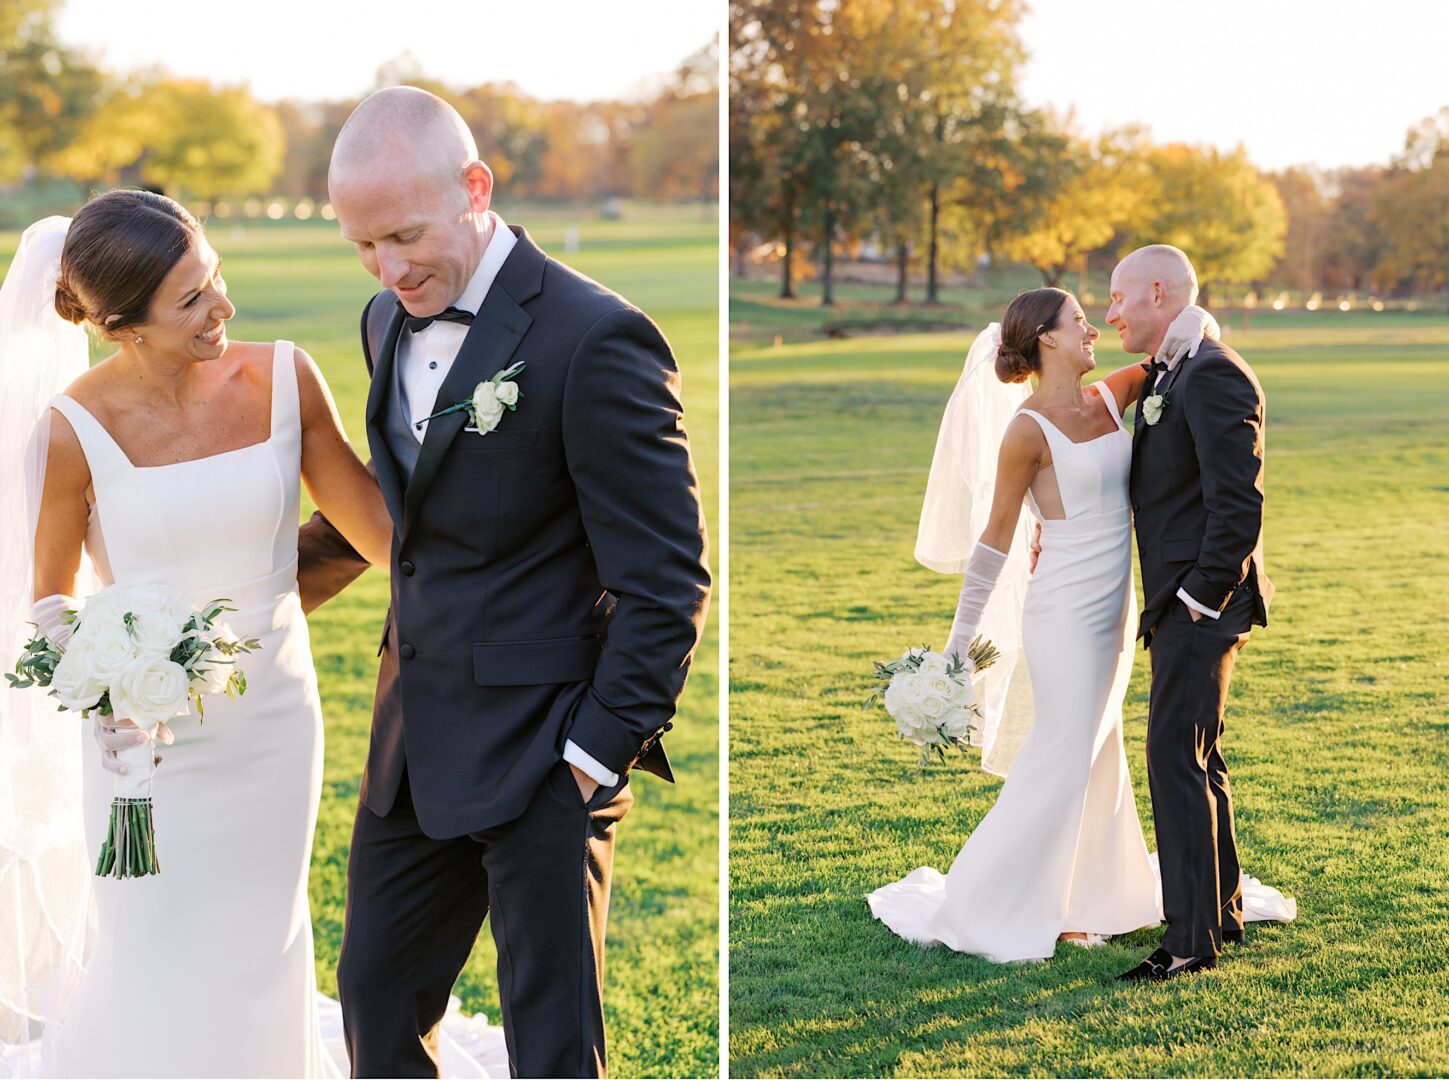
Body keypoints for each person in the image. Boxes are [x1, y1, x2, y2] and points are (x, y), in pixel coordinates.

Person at [293, 87, 710, 1078]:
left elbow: (668, 580)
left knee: (553, 1045)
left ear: (475, 188)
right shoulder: (383, 321)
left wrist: (594, 753)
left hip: (544, 753)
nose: (388, 271)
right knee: (376, 1011)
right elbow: (406, 511)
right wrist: (238, 602)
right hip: (411, 744)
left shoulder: (594, 338)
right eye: (363, 248)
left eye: (403, 235)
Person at [0, 190, 391, 1077]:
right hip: (146, 756)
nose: (224, 309)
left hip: (274, 727)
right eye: (192, 300)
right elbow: (51, 603)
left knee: (264, 944)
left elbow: (379, 532)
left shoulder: (284, 376)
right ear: (120, 325)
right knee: (152, 946)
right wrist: (105, 695)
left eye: (215, 279)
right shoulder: (72, 430)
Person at [868, 277, 1293, 968]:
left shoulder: (1111, 394)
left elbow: (1185, 348)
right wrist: (955, 645)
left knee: (1099, 749)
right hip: (1061, 607)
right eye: (1079, 321)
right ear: (1046, 339)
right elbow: (992, 543)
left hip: (1118, 604)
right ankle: (1005, 902)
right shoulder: (1024, 431)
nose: (1094, 329)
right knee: (1062, 750)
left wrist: (1190, 305)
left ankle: (1089, 893)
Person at [1105, 245, 1276, 981]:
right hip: (1186, 597)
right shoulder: (1173, 371)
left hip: (1201, 602)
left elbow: (1238, 507)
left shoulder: (1211, 372)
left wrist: (1196, 598)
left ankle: (1186, 945)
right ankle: (1221, 911)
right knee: (1199, 759)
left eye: (1115, 299)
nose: (1109, 314)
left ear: (1155, 293)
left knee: (1174, 761)